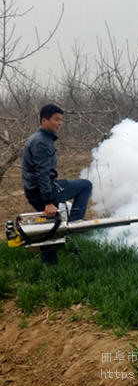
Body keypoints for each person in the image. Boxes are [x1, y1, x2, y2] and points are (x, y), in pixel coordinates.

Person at [22, 104, 92, 265]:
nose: (60, 123)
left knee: (50, 228)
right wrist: (48, 202)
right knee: (85, 185)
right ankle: (74, 223)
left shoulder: (41, 138)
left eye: (61, 120)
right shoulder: (41, 142)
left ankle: (50, 266)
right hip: (43, 192)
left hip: (36, 191)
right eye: (56, 119)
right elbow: (42, 173)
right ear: (44, 120)